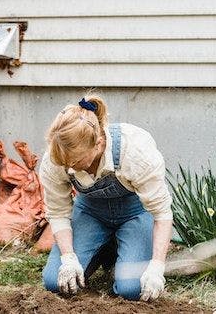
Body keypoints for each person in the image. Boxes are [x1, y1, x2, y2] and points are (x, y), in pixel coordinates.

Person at [40, 94, 173, 301]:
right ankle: (104, 251)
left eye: (75, 161)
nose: (68, 167)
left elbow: (162, 214)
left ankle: (121, 249)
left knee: (132, 289)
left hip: (135, 213)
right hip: (90, 212)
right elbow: (58, 212)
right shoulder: (59, 157)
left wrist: (156, 268)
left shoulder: (135, 151)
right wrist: (68, 258)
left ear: (99, 143)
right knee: (54, 281)